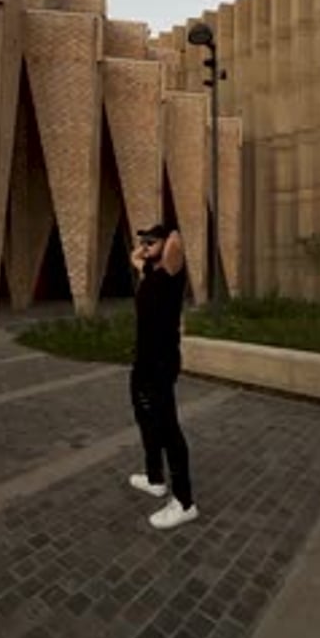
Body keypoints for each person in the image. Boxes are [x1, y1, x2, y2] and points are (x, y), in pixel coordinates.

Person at [128, 223, 198, 530]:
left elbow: (175, 246)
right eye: (143, 240)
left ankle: (184, 502)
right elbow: (136, 258)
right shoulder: (151, 273)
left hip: (161, 362)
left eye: (152, 240)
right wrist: (145, 249)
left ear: (168, 242)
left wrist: (170, 235)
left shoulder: (172, 272)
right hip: (143, 361)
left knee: (168, 427)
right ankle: (155, 478)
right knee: (144, 416)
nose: (145, 245)